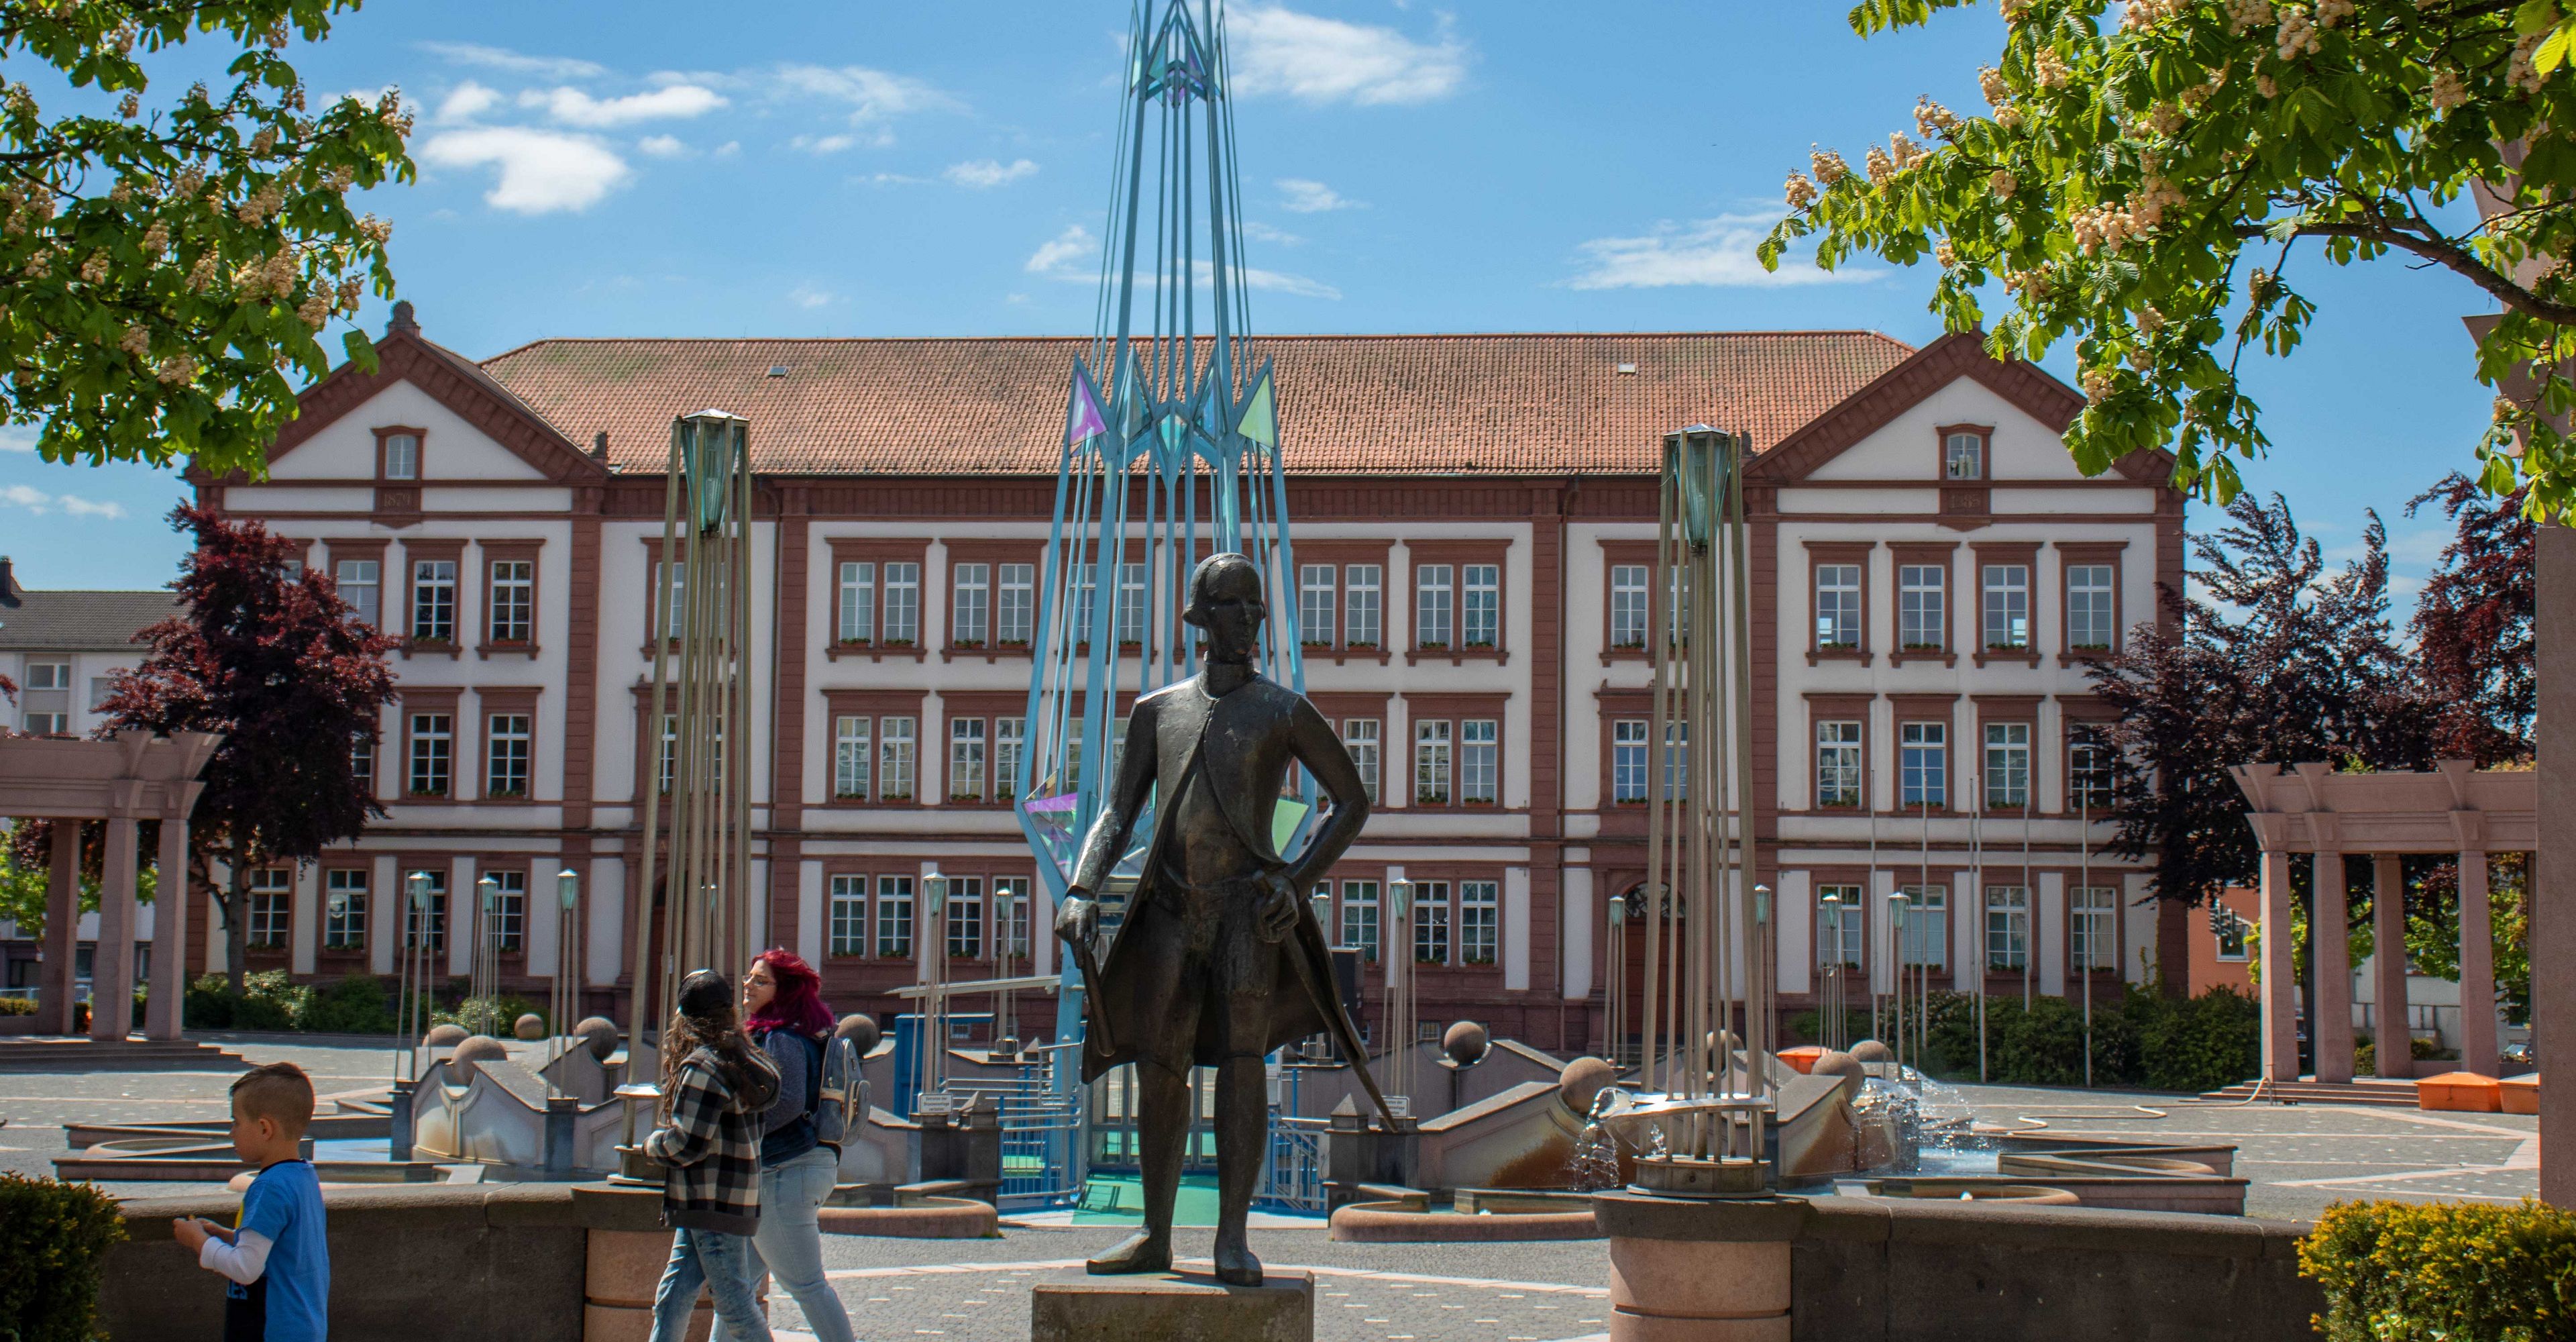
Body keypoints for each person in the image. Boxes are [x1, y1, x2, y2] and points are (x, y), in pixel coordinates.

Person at [1053, 552, 1382, 1286]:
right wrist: (1081, 886)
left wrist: (1296, 881)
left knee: (1241, 1065)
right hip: (1168, 909)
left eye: (1257, 608)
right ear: (1204, 617)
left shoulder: (1282, 709)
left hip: (1246, 915)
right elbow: (1119, 808)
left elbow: (1352, 799)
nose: (1252, 620)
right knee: (1158, 1067)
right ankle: (1156, 1232)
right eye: (1237, 606)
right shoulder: (1158, 711)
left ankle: (1232, 1236)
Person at [645, 968, 782, 1342]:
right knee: (673, 1295)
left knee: (736, 1306)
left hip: (710, 1199)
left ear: (685, 1017)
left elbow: (688, 1143)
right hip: (727, 1197)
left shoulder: (704, 1067)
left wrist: (652, 1146)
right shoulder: (746, 1058)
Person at [739, 949, 855, 1342]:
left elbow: (786, 1102)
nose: (748, 985)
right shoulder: (802, 1033)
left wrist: (740, 1133)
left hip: (783, 1170)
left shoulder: (781, 1037)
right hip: (798, 1166)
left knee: (806, 1285)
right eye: (749, 977)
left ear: (784, 990)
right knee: (738, 1289)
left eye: (760, 980)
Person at [172, 1060, 331, 1342]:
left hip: (272, 1331)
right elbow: (283, 1250)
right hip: (303, 1327)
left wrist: (198, 1241)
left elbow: (246, 1269)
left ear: (264, 1129)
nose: (231, 1132)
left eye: (236, 1122)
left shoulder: (269, 1186)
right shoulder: (303, 1177)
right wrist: (229, 1237)